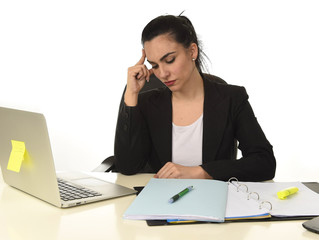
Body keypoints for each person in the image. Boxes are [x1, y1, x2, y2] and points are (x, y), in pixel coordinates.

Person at [114, 14, 276, 181]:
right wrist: (132, 95)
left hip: (213, 200)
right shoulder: (147, 103)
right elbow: (127, 167)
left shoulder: (232, 99)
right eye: (154, 65)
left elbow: (265, 162)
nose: (162, 73)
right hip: (162, 200)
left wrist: (200, 172)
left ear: (192, 51)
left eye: (169, 60)